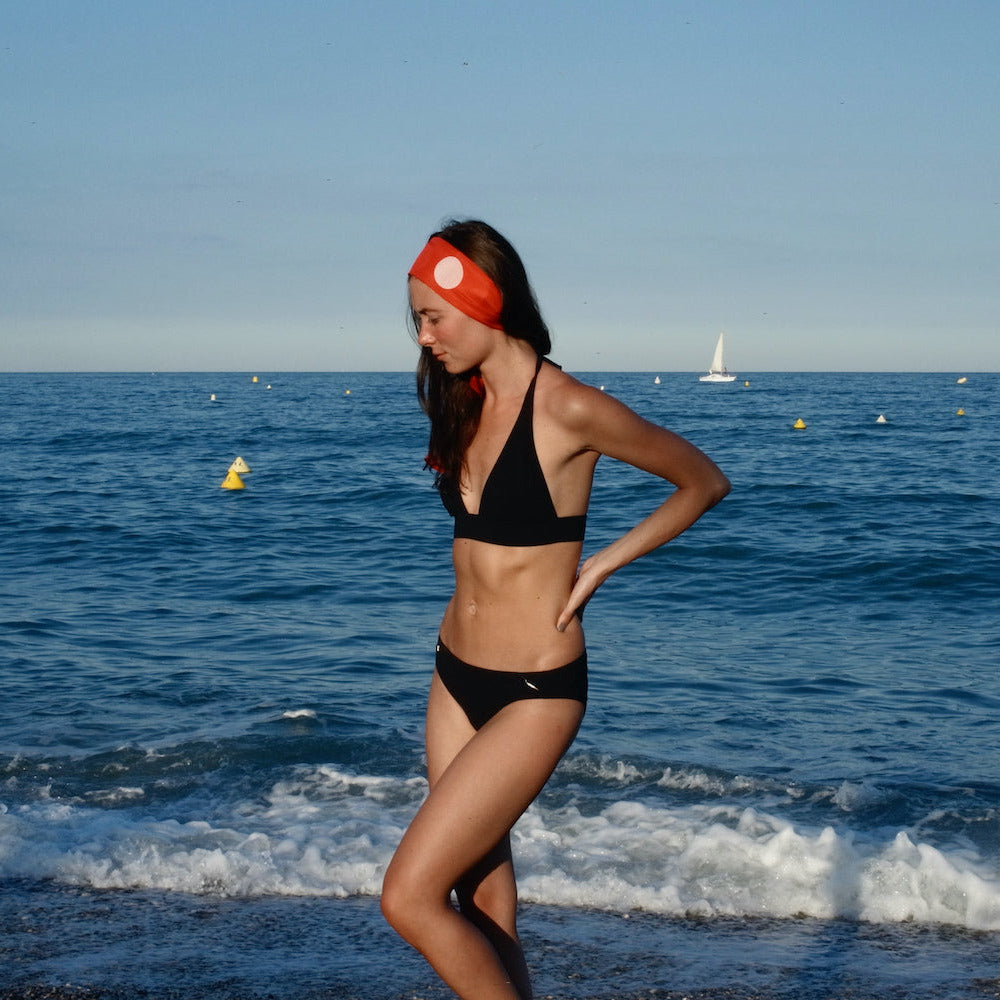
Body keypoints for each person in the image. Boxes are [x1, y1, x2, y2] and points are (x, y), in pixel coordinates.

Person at [380, 219, 730, 999]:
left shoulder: (569, 406)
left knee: (407, 898)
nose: (424, 337)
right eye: (418, 322)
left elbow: (702, 481)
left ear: (480, 302)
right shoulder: (465, 402)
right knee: (482, 899)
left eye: (432, 317)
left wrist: (603, 563)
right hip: (454, 674)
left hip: (533, 691)